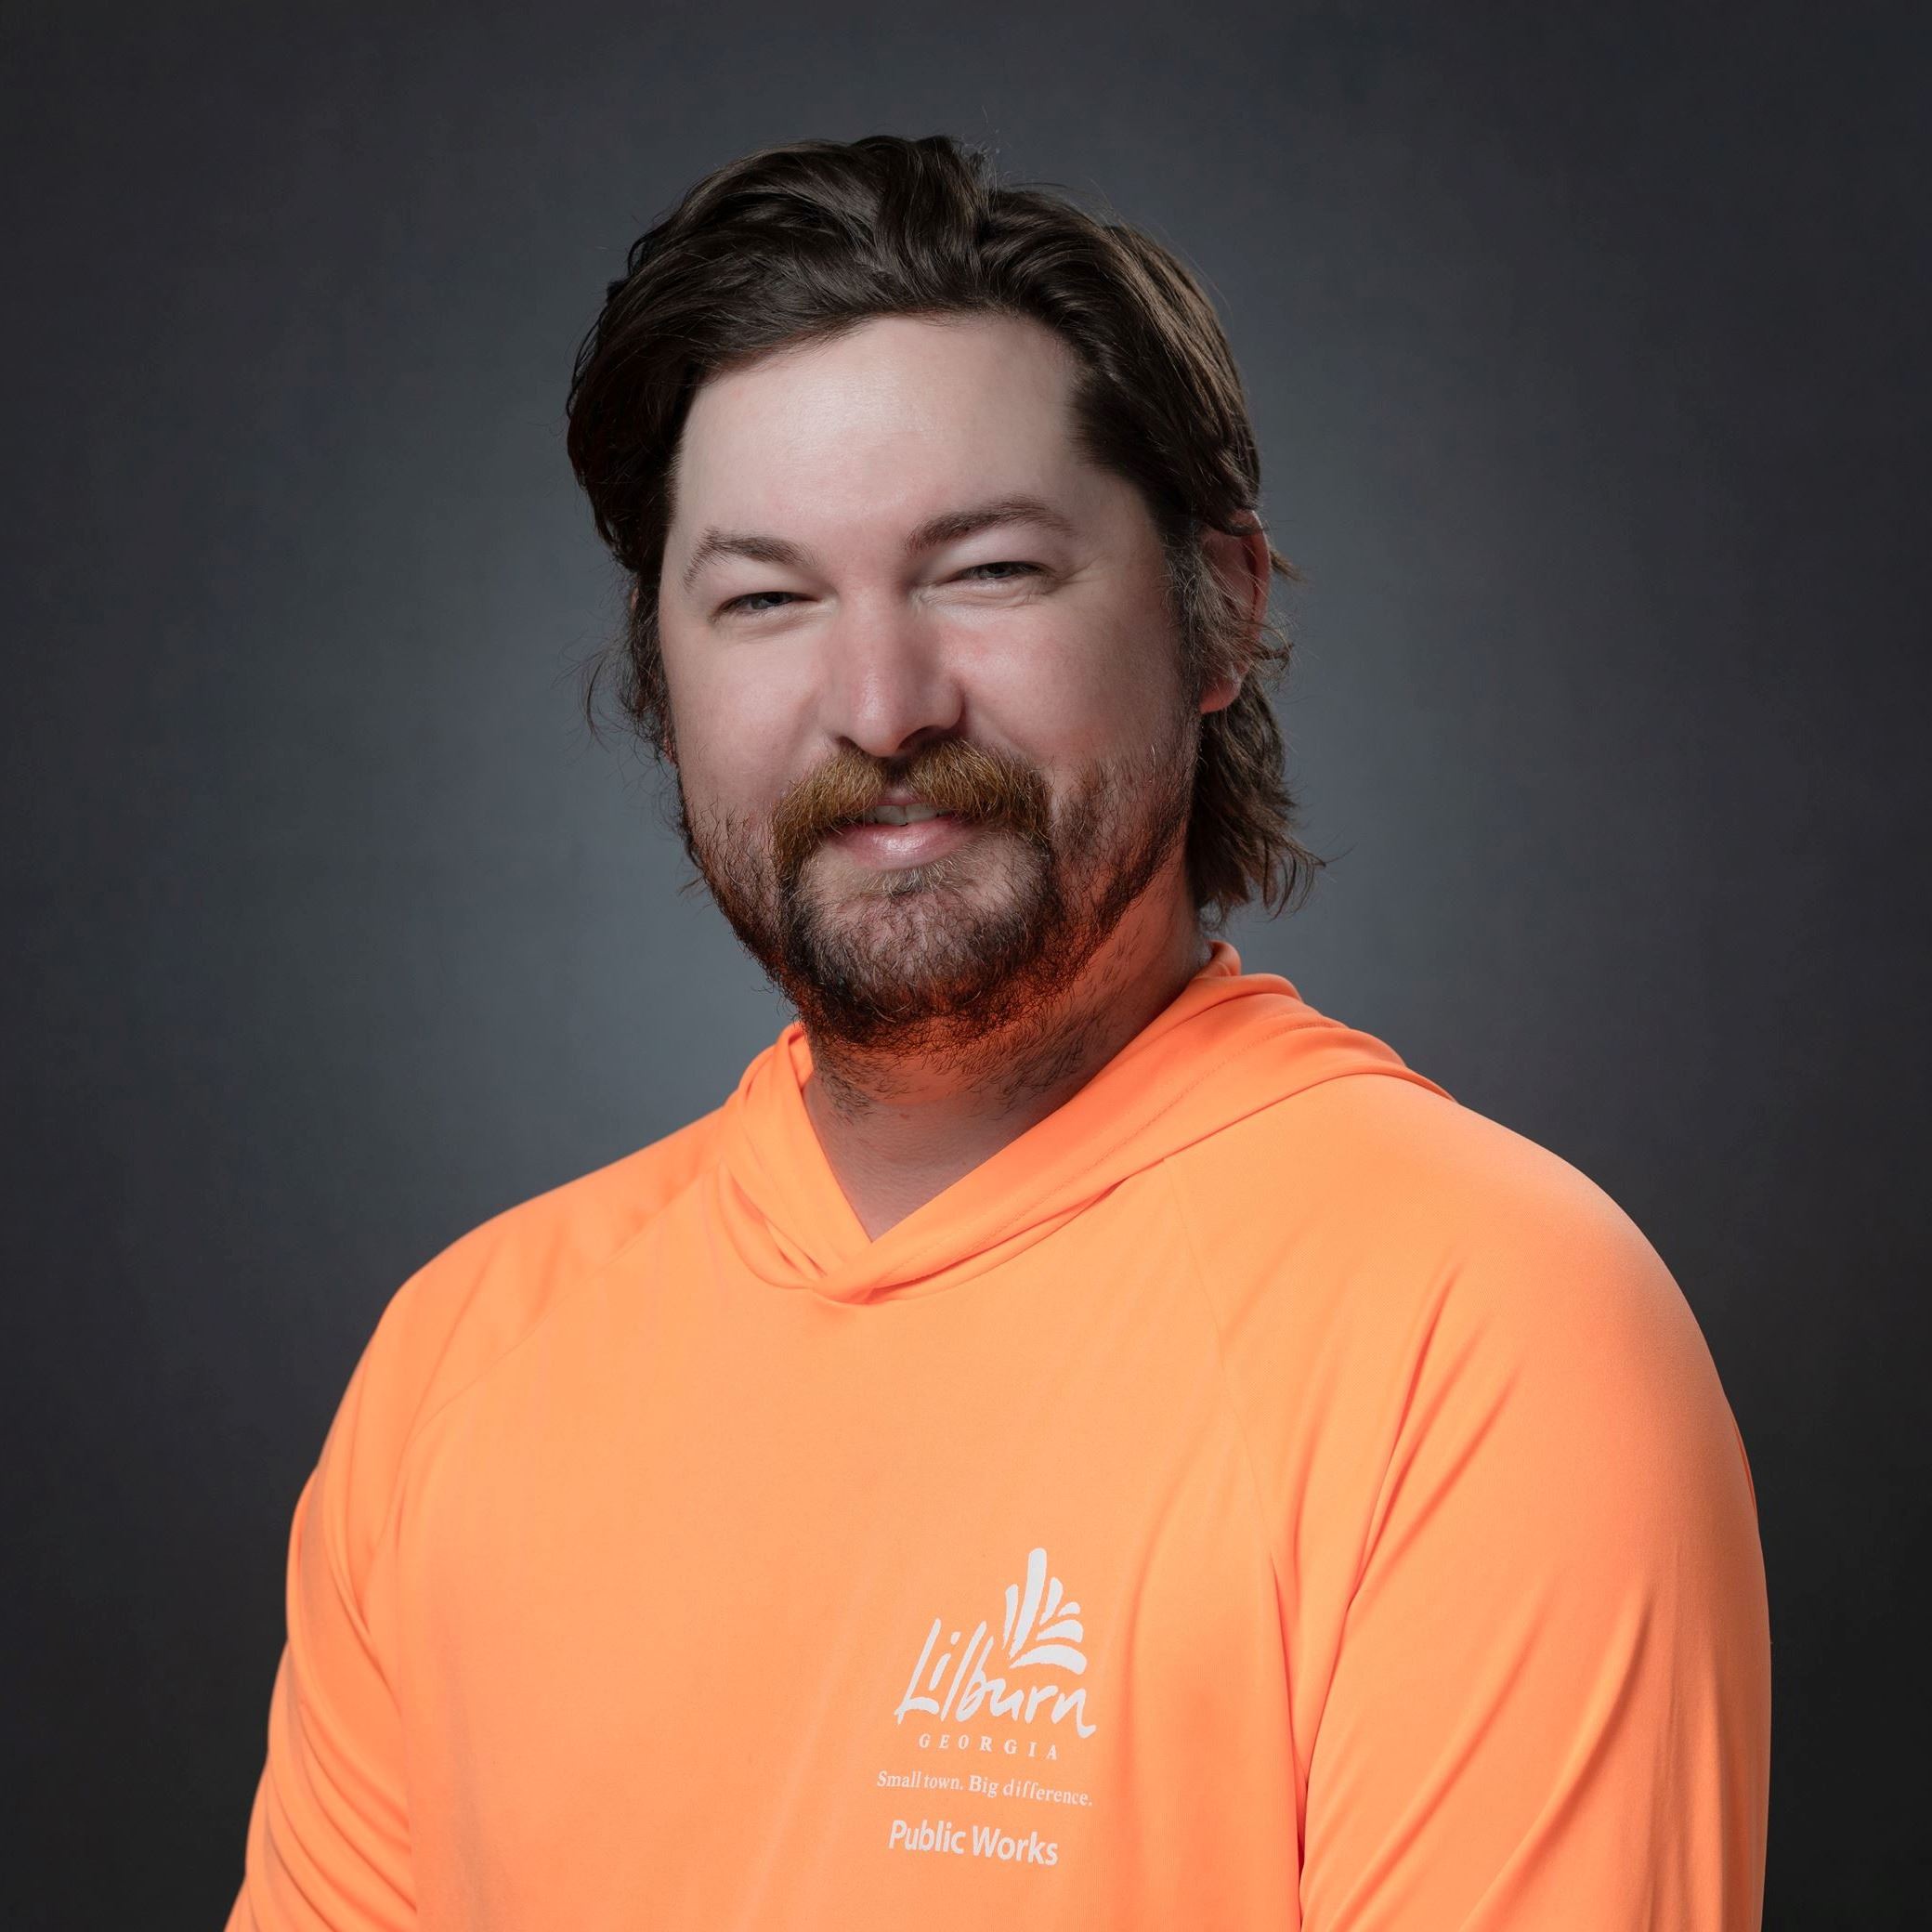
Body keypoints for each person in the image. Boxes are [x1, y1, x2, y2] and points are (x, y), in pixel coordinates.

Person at [224, 133, 1770, 1929]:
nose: (880, 703)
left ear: (1223, 614)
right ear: (663, 677)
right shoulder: (456, 1369)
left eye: (989, 570)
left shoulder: (1486, 1331)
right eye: (766, 598)